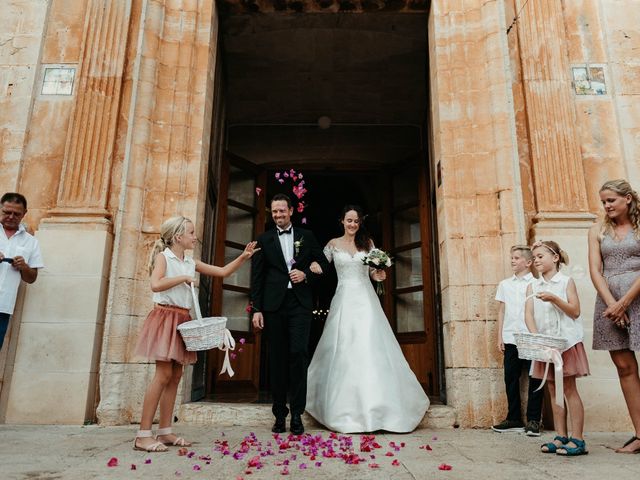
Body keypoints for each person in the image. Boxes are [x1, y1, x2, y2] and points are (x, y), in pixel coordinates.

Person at [134, 216, 258, 452]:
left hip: (183, 320)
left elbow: (222, 272)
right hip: (165, 318)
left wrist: (243, 257)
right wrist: (182, 278)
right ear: (178, 237)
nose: (195, 236)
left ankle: (165, 430)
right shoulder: (164, 257)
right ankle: (142, 434)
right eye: (191, 233)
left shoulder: (190, 261)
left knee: (176, 375)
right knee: (162, 375)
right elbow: (155, 284)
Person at [305, 205, 429, 433]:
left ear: (360, 223)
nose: (352, 224)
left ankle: (380, 407)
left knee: (370, 345)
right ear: (341, 221)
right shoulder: (333, 244)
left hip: (366, 300)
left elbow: (373, 272)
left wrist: (378, 274)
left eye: (356, 221)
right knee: (342, 347)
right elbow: (322, 265)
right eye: (349, 220)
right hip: (343, 299)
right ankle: (341, 408)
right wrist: (314, 266)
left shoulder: (368, 243)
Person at [250, 194, 329, 435]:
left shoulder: (307, 235)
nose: (278, 215)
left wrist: (307, 274)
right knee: (277, 359)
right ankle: (279, 414)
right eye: (274, 212)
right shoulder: (264, 239)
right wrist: (256, 309)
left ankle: (297, 414)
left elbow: (324, 263)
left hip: (300, 306)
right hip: (273, 307)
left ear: (291, 211)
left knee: (298, 355)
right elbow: (257, 277)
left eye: (282, 211)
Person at [588, 179, 640, 454]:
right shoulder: (597, 230)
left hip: (637, 295)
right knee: (624, 367)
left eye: (611, 200)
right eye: (604, 201)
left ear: (628, 198)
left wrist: (626, 301)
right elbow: (596, 270)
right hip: (609, 301)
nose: (606, 205)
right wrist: (612, 304)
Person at [525, 240, 590, 456]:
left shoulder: (566, 282)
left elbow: (575, 311)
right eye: (534, 258)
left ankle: (578, 439)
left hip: (566, 343)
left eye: (540, 256)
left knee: (569, 388)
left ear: (555, 258)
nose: (536, 261)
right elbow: (528, 315)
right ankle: (561, 436)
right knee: (553, 389)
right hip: (546, 345)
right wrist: (537, 339)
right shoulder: (532, 286)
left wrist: (554, 299)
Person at [492, 245, 544, 436]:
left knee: (535, 378)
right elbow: (502, 311)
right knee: (511, 378)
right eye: (511, 257)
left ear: (528, 262)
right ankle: (514, 418)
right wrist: (500, 336)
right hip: (510, 337)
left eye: (516, 258)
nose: (512, 261)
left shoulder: (538, 284)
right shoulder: (505, 284)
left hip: (530, 337)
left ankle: (533, 420)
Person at [0, 192, 44, 350]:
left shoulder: (30, 242)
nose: (11, 217)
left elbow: (32, 278)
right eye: (7, 212)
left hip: (3, 305)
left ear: (24, 214)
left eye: (16, 214)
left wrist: (24, 266)